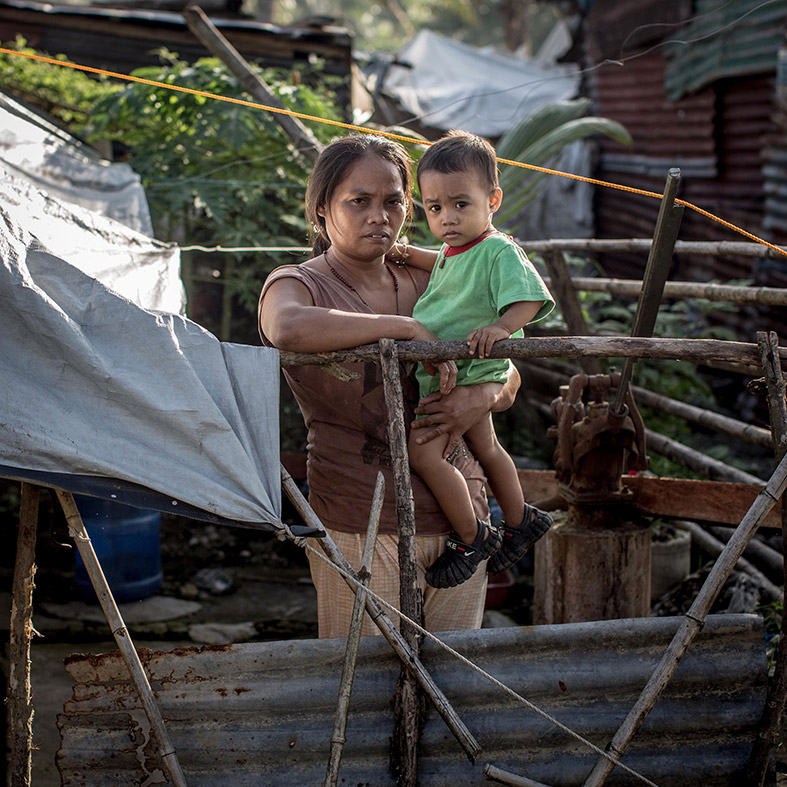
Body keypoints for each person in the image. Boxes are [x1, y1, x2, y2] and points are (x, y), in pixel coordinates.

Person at [258, 134, 521, 638]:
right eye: (359, 201)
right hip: (360, 518)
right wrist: (402, 328)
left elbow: (509, 374)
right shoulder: (299, 284)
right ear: (321, 209)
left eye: (394, 201)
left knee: (454, 681)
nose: (379, 215)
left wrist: (477, 398)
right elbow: (287, 327)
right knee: (365, 687)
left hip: (462, 520)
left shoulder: (438, 280)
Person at [404, 130, 556, 590]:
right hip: (461, 369)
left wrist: (502, 327)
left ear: (493, 200)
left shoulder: (500, 248)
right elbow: (453, 267)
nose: (447, 218)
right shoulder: (457, 249)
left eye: (460, 204)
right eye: (434, 208)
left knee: (422, 451)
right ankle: (520, 518)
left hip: (474, 367)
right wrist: (408, 252)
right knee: (487, 449)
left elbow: (531, 298)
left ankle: (473, 536)